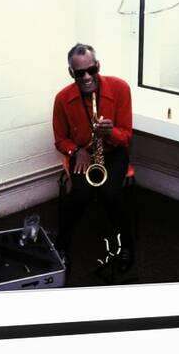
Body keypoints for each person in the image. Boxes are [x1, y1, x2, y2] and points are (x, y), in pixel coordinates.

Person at [52, 43, 134, 272]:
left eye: (92, 70)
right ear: (71, 73)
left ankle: (126, 245)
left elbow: (126, 136)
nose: (87, 77)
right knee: (80, 194)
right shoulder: (62, 99)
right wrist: (75, 151)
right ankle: (62, 246)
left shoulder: (120, 88)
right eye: (80, 73)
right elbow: (60, 139)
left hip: (113, 151)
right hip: (83, 154)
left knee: (111, 193)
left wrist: (111, 132)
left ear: (98, 66)